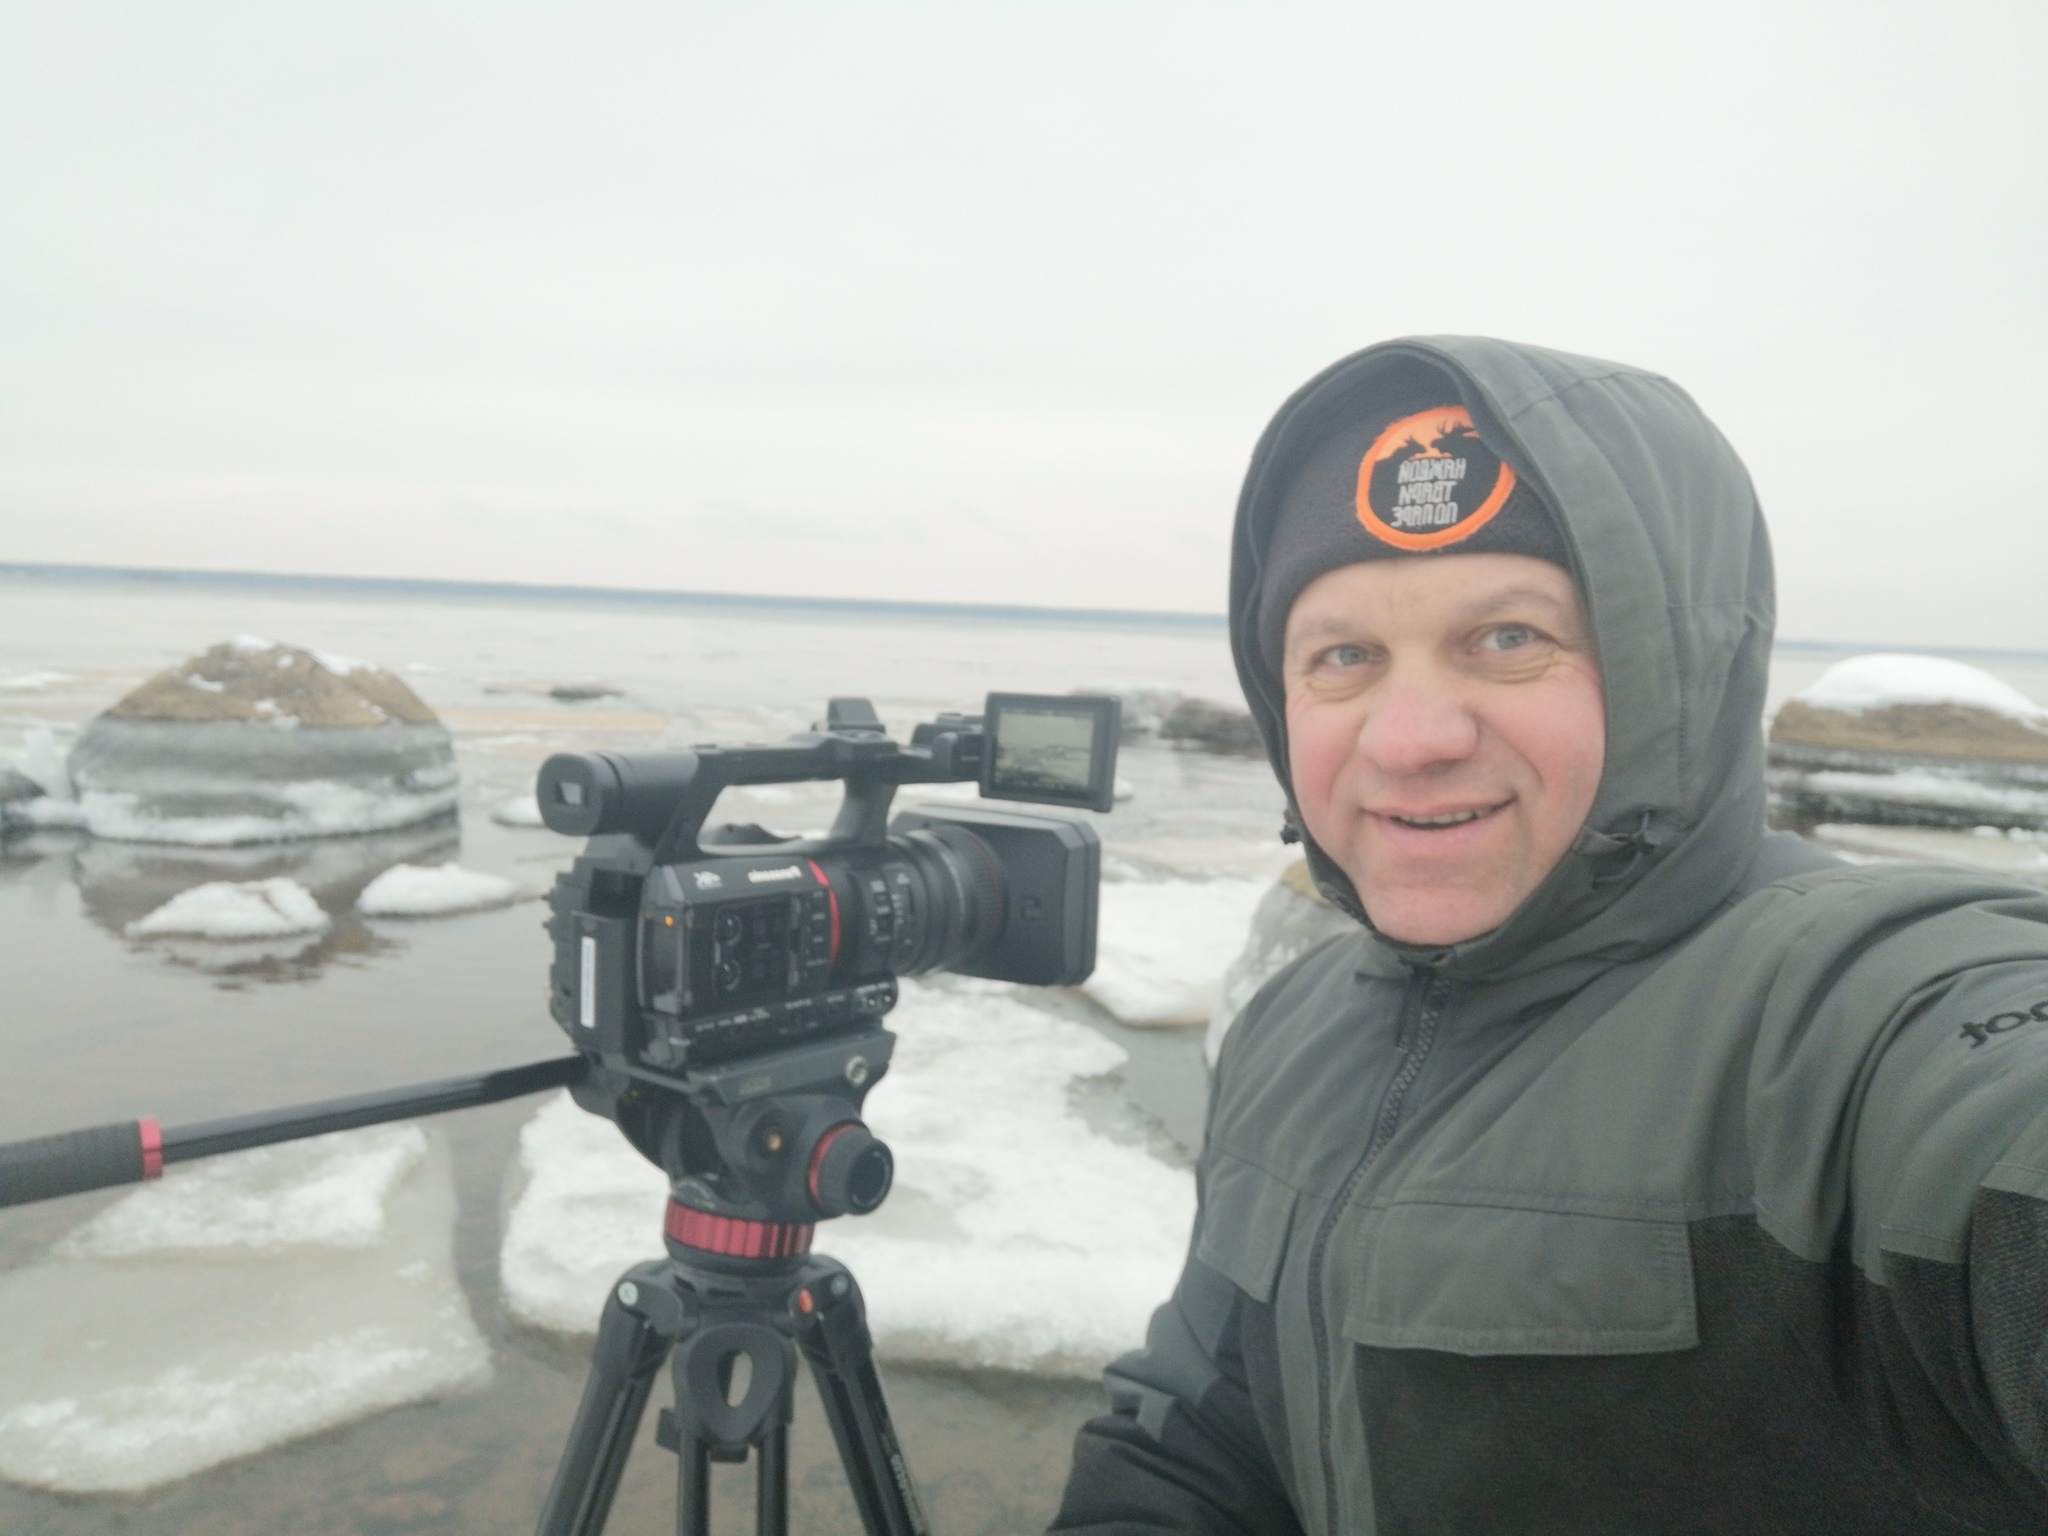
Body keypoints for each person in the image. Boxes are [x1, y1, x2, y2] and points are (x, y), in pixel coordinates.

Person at [1049, 337, 2048, 1533]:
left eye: (1508, 637)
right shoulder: (1291, 1022)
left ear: (1673, 668)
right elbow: (1200, 1433)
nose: (1407, 737)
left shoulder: (1840, 1027)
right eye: (1344, 656)